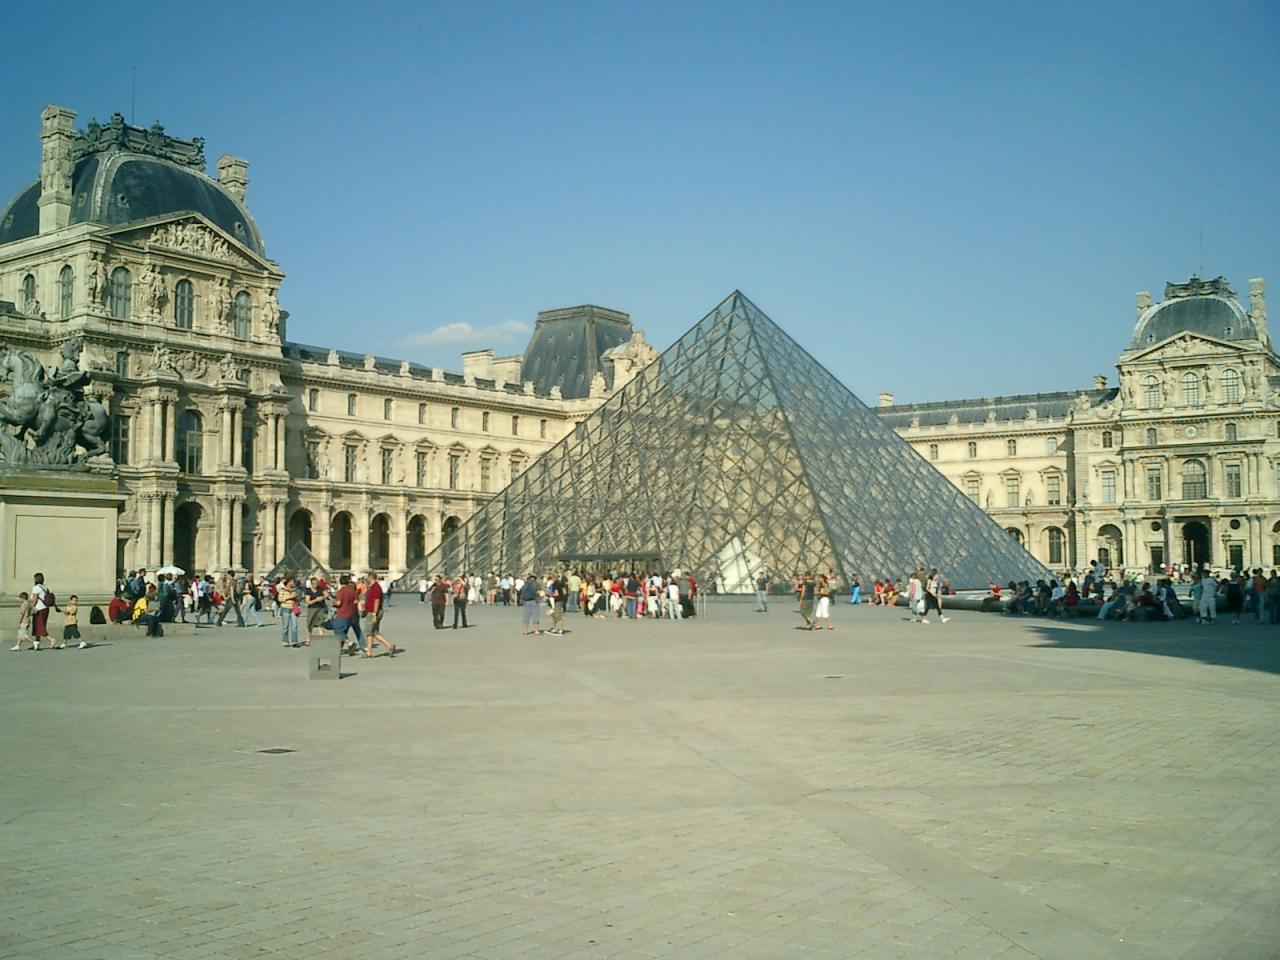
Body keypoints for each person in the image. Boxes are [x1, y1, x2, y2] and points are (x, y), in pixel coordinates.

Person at [362, 575, 396, 657]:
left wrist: (374, 614)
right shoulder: (373, 587)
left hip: (373, 612)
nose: (366, 579)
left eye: (367, 578)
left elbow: (376, 601)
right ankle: (389, 646)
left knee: (369, 632)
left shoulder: (376, 588)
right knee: (374, 632)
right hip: (373, 612)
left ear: (371, 578)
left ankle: (370, 652)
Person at [331, 575, 363, 655]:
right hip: (351, 613)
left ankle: (350, 643)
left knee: (337, 629)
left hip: (342, 613)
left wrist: (333, 603)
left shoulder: (341, 591)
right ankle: (339, 648)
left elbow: (338, 603)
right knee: (344, 630)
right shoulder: (352, 591)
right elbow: (356, 601)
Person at [304, 578, 328, 644]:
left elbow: (326, 594)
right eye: (314, 583)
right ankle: (308, 639)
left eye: (316, 583)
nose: (315, 585)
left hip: (320, 608)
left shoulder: (320, 589)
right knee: (310, 625)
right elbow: (308, 602)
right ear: (311, 584)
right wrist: (316, 600)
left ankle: (321, 639)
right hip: (312, 609)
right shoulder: (308, 591)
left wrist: (322, 597)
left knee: (320, 624)